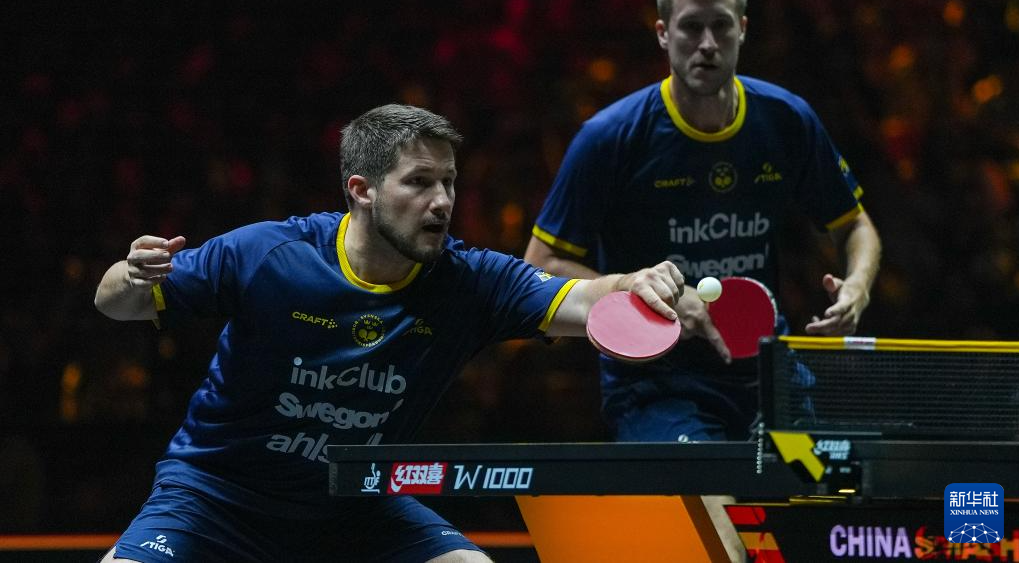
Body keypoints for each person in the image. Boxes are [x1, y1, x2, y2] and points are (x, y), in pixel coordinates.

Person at [94, 104, 685, 563]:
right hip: (217, 497)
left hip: (356, 503)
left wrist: (631, 282)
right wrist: (132, 273)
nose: (442, 202)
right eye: (419, 182)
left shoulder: (470, 281)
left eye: (449, 182)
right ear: (362, 189)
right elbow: (115, 302)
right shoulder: (268, 254)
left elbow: (583, 301)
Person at [525, 0, 882, 444]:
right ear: (663, 34)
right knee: (705, 491)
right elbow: (540, 266)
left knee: (825, 482)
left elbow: (855, 225)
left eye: (721, 26)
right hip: (656, 384)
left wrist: (857, 287)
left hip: (766, 371)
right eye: (692, 27)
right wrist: (651, 297)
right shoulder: (609, 139)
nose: (708, 44)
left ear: (743, 29)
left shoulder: (786, 119)